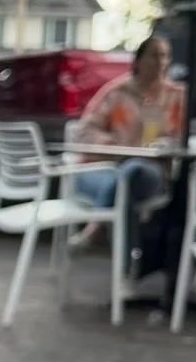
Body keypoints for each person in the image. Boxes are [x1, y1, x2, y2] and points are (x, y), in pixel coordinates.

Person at [69, 34, 184, 258]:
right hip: (102, 168)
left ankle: (95, 229)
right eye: (154, 56)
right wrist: (112, 144)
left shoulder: (177, 97)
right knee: (123, 189)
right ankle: (128, 270)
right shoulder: (116, 93)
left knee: (131, 173)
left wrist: (169, 144)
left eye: (165, 57)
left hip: (150, 169)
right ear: (138, 61)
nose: (160, 62)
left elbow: (187, 135)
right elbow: (85, 132)